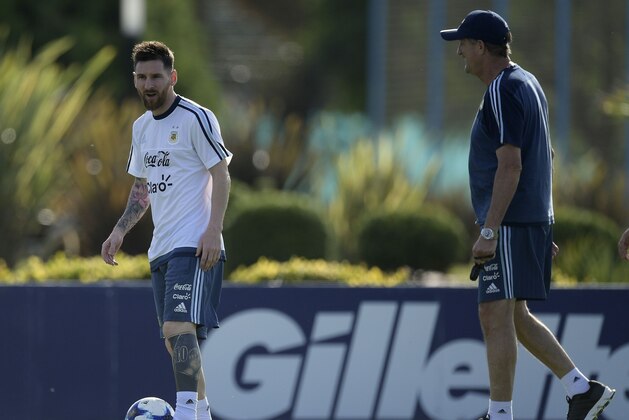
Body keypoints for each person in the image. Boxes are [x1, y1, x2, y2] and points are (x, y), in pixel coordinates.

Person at [441, 10, 614, 420]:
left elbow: (513, 164)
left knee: (494, 312)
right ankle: (581, 389)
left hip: (511, 224)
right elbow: (546, 156)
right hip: (526, 221)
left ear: (481, 47)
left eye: (463, 44)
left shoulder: (502, 89)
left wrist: (490, 229)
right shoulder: (528, 83)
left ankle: (501, 415)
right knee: (514, 315)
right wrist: (539, 221)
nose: (460, 52)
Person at [101, 41, 231, 420]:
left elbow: (220, 173)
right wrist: (119, 230)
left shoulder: (196, 117)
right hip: (161, 248)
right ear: (135, 80)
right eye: (142, 77)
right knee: (176, 344)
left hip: (194, 244)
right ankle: (202, 412)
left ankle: (187, 413)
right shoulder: (141, 128)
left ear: (172, 77)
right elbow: (142, 188)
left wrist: (213, 230)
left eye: (156, 76)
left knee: (178, 326)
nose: (149, 84)